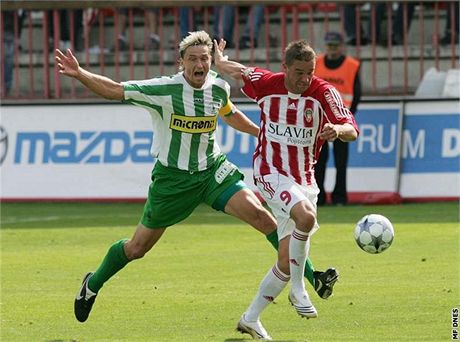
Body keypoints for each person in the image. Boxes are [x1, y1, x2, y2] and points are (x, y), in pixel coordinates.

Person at [55, 30, 337, 324]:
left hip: (213, 173)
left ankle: (312, 276)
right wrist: (79, 73)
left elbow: (229, 114)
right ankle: (93, 284)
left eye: (205, 58)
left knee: (264, 219)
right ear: (182, 62)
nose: (200, 64)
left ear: (210, 62)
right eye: (193, 59)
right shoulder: (165, 90)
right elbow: (115, 89)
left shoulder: (218, 88)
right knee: (136, 248)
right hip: (173, 181)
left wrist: (260, 133)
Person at [214, 38, 359, 339]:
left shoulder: (323, 92)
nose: (305, 78)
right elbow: (237, 70)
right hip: (270, 172)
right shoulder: (267, 83)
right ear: (285, 68)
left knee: (285, 259)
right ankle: (298, 288)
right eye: (299, 72)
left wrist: (337, 130)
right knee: (304, 218)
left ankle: (250, 318)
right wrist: (219, 60)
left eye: (310, 72)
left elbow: (352, 129)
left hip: (305, 181)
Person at [314, 32, 362, 206]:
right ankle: (318, 198)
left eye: (335, 46)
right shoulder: (316, 63)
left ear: (341, 46)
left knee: (341, 163)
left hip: (342, 122)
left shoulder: (352, 65)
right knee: (319, 161)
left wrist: (348, 118)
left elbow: (356, 93)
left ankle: (340, 197)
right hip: (320, 120)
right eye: (329, 46)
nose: (332, 49)